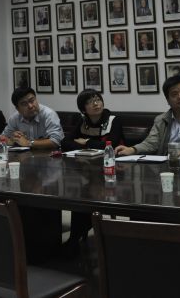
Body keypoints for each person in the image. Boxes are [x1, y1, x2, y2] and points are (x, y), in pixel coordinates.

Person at [61, 90, 126, 254]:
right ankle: (75, 238)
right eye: (90, 102)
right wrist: (89, 145)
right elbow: (65, 143)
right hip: (90, 171)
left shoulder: (114, 120)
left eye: (98, 100)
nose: (96, 104)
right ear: (83, 109)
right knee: (82, 198)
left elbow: (110, 145)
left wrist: (86, 142)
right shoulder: (83, 122)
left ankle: (77, 238)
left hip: (114, 171)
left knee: (89, 195)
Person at [115, 75, 180, 160]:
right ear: (168, 100)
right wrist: (132, 149)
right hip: (168, 164)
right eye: (174, 94)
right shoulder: (161, 119)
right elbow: (151, 143)